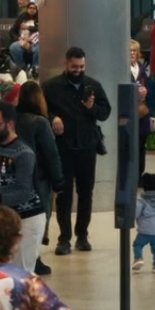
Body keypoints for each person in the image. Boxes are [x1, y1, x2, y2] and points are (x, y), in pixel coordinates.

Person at [42, 48, 112, 255]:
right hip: (63, 149)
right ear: (66, 64)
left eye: (81, 67)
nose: (78, 70)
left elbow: (105, 112)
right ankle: (64, 238)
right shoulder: (51, 87)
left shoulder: (93, 86)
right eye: (74, 67)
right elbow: (40, 109)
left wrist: (91, 108)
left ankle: (82, 235)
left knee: (86, 193)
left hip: (87, 148)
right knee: (63, 195)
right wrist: (53, 117)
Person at [0, 101, 48, 276]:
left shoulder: (24, 153)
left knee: (22, 274)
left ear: (10, 124)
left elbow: (24, 191)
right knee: (0, 274)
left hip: (28, 218)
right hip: (5, 219)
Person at [11, 81, 63, 272]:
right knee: (39, 218)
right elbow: (51, 153)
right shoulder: (40, 123)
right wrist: (58, 180)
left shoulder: (11, 120)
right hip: (39, 178)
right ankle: (35, 257)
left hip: (14, 177)